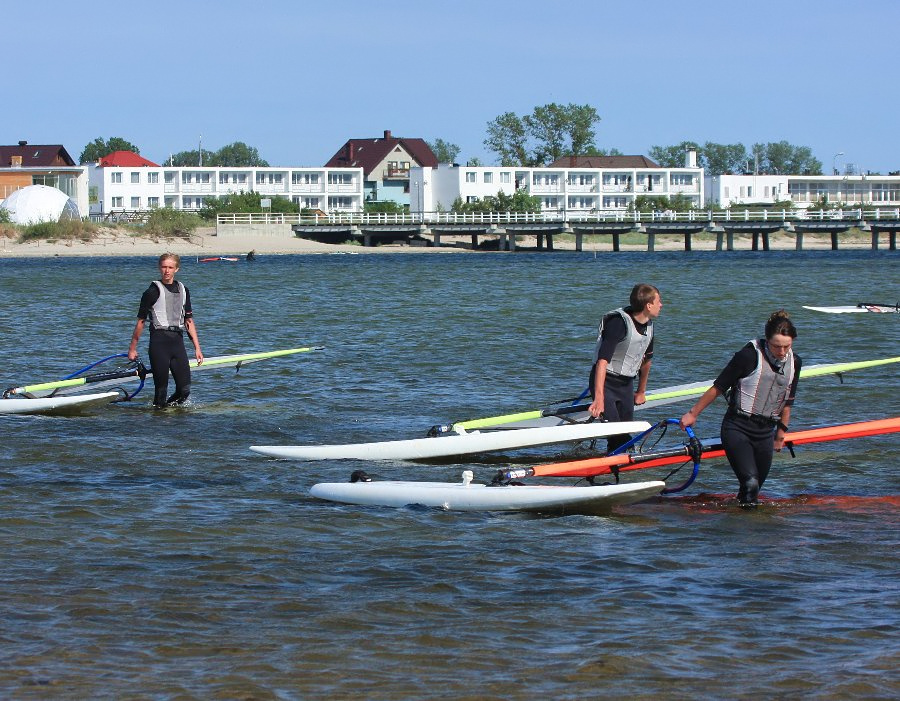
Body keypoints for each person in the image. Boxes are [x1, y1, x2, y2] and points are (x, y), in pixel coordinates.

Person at [679, 310, 801, 506]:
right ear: (767, 340)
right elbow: (718, 387)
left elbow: (788, 401)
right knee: (750, 484)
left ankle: (743, 525)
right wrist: (693, 414)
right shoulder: (748, 356)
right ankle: (745, 531)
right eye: (777, 346)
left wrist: (780, 435)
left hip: (765, 432)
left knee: (753, 489)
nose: (782, 352)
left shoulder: (795, 362)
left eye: (787, 346)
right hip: (737, 427)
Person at [588, 283, 662, 452]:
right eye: (659, 301)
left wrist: (641, 391)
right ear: (648, 305)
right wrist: (599, 398)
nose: (661, 305)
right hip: (605, 381)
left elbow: (646, 361)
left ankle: (618, 463)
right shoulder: (618, 323)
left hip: (626, 384)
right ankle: (616, 464)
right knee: (616, 432)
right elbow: (601, 362)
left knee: (626, 429)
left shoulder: (649, 325)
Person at [128, 253, 203, 408]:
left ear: (177, 269)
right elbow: (141, 322)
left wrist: (197, 348)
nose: (166, 271)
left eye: (170, 267)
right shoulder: (151, 292)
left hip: (177, 342)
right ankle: (159, 419)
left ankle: (169, 414)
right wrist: (132, 348)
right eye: (164, 267)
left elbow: (188, 321)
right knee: (161, 391)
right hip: (159, 343)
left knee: (184, 390)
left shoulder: (184, 290)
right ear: (159, 268)